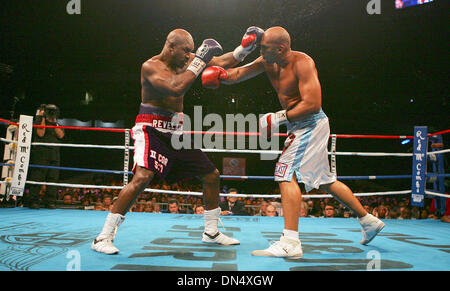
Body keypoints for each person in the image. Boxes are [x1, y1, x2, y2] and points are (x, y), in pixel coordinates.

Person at [202, 26, 385, 258]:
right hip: (297, 125)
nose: (261, 51)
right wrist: (222, 75)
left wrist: (275, 118)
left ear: (281, 48)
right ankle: (367, 220)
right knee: (325, 180)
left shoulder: (302, 63)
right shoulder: (267, 59)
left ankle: (290, 242)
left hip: (311, 123)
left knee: (284, 172)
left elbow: (313, 104)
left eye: (264, 48)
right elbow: (238, 74)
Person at [91, 27, 263, 254]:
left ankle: (211, 233)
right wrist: (200, 59)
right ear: (170, 46)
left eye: (191, 52)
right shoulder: (150, 66)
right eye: (185, 51)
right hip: (151, 128)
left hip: (176, 132)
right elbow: (175, 87)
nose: (188, 55)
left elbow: (221, 60)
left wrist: (245, 48)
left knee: (211, 175)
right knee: (142, 177)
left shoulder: (188, 59)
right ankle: (103, 237)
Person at [26, 104, 64, 209]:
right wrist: (42, 118)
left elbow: (60, 135)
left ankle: (50, 201)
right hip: (41, 154)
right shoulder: (39, 122)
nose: (51, 114)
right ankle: (33, 201)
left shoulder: (57, 124)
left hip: (54, 154)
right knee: (37, 177)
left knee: (53, 178)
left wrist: (54, 122)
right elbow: (40, 133)